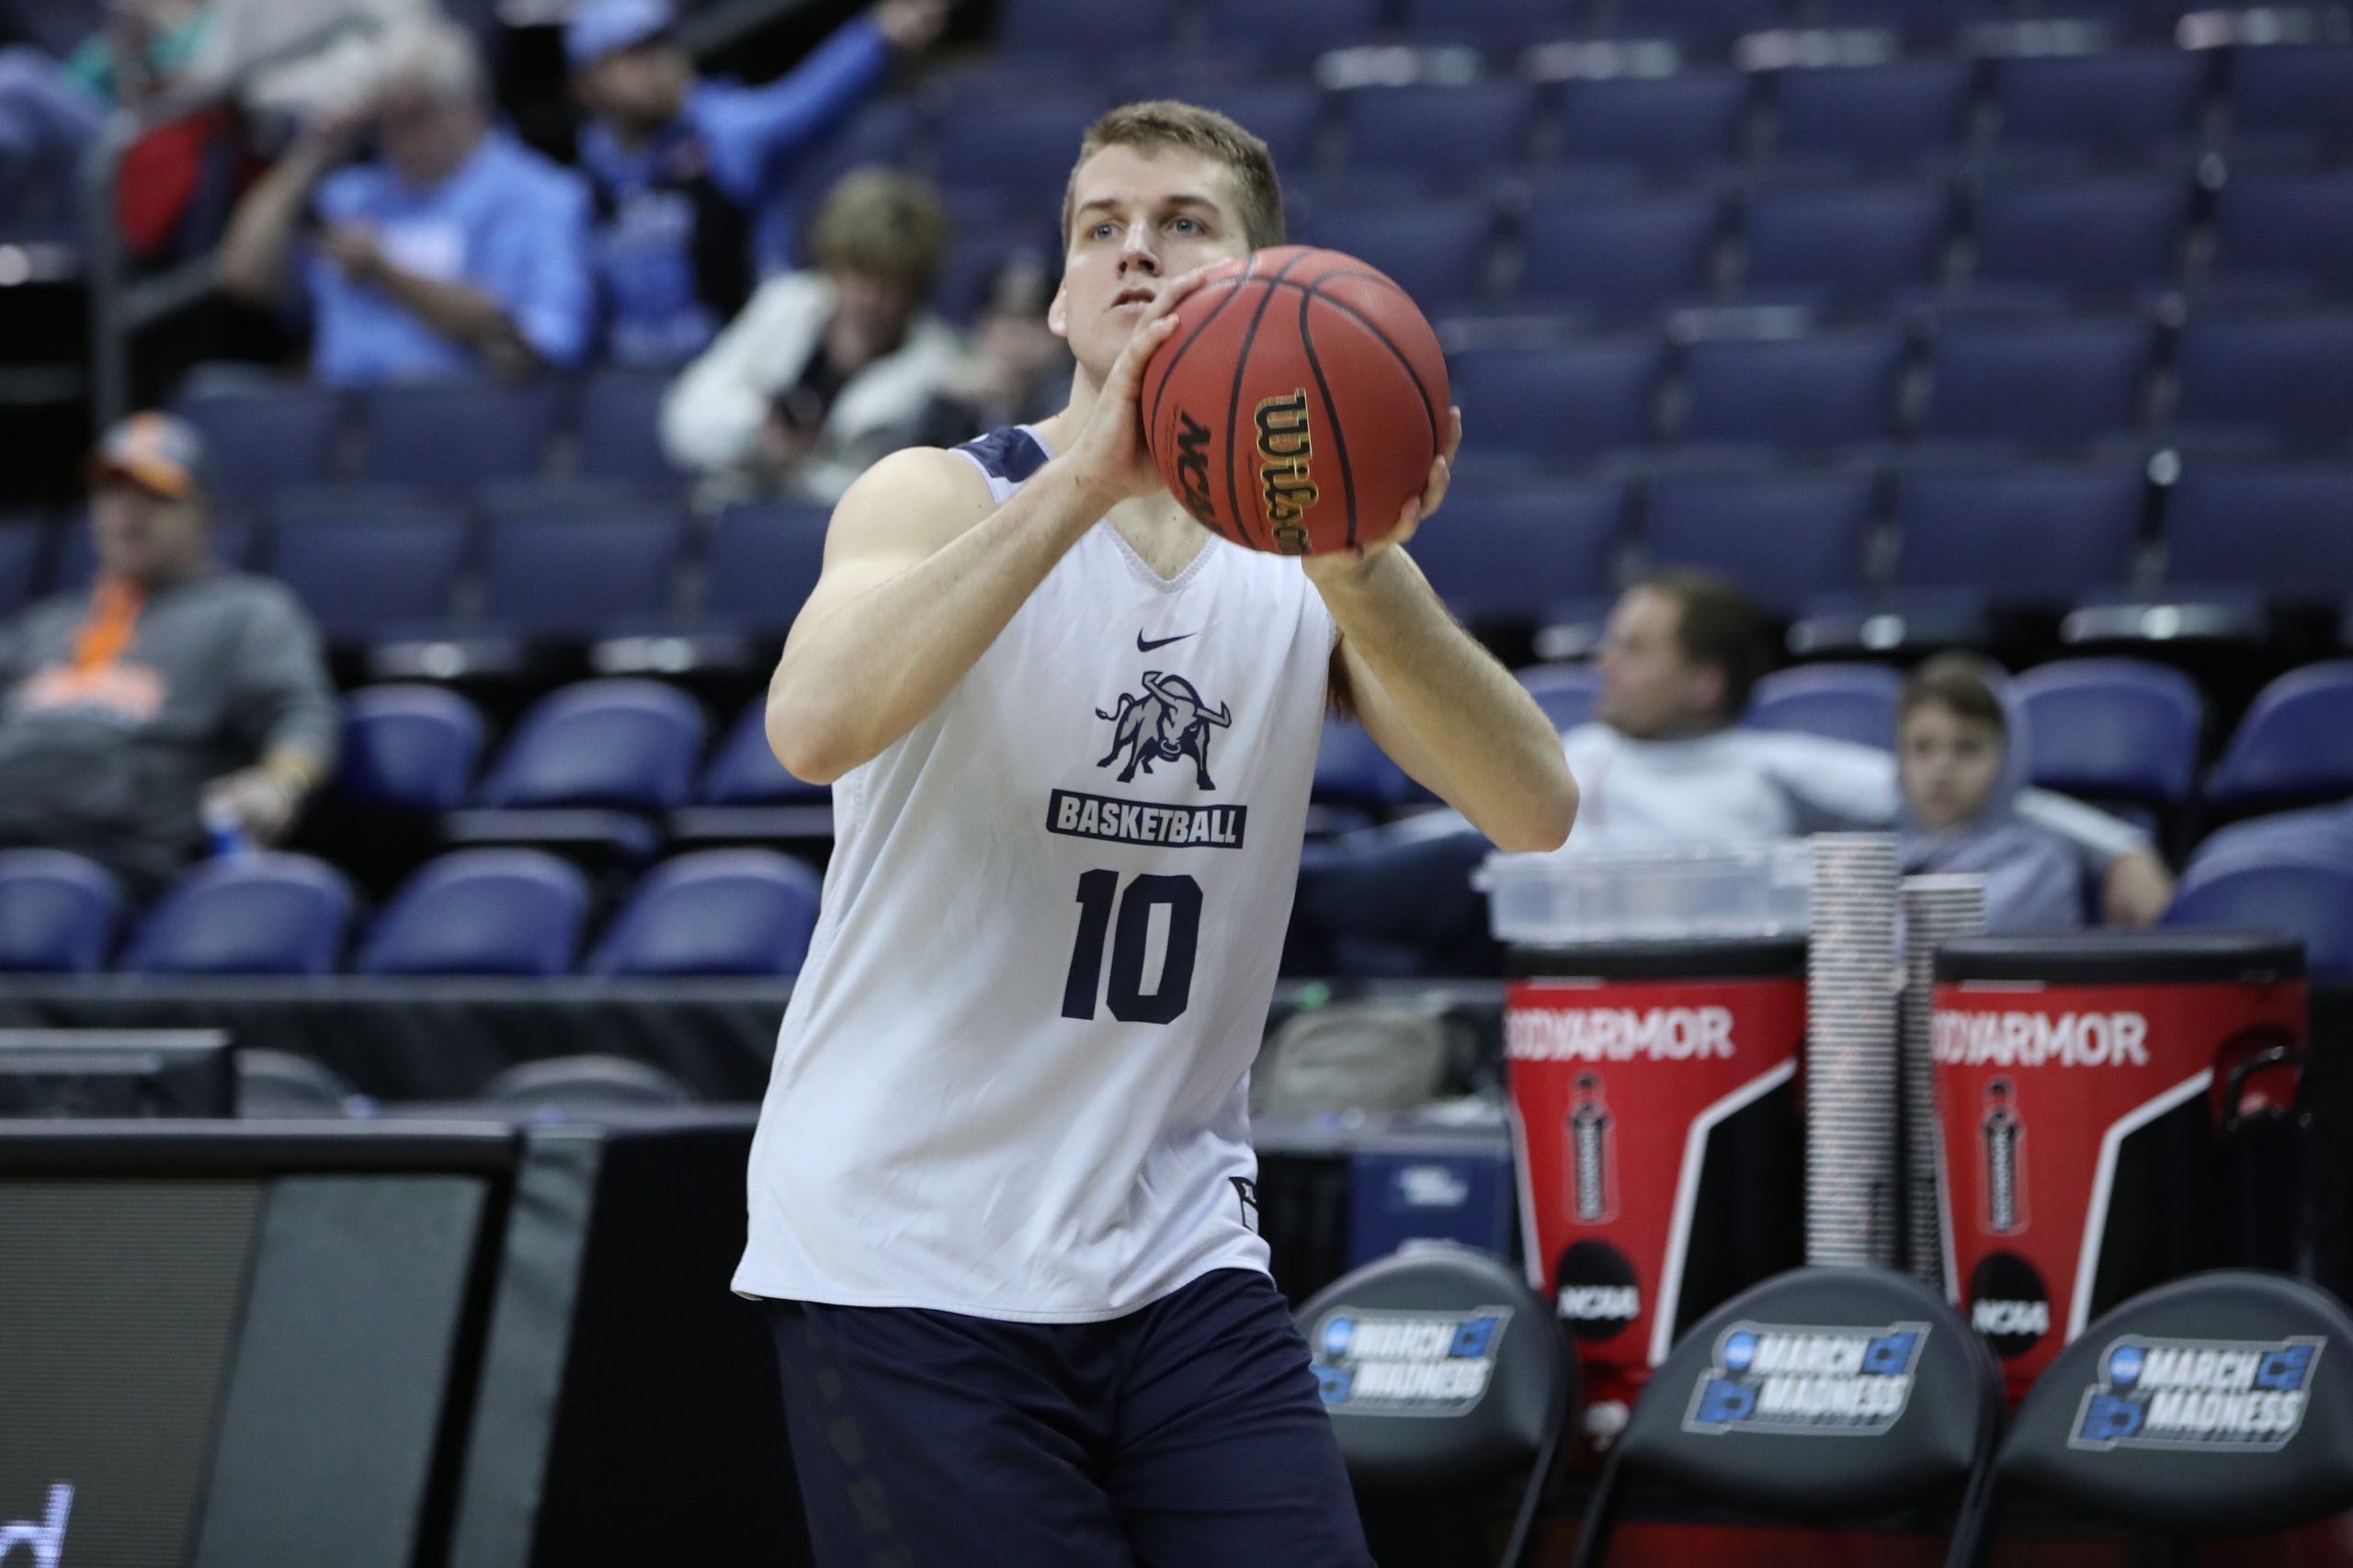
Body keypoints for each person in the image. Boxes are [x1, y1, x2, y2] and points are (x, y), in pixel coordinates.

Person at [736, 100, 1576, 1566]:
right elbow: (811, 725)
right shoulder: (937, 491)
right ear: (1062, 297)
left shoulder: (1303, 570)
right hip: (906, 1249)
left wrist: (1367, 571)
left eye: (1184, 223)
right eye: (1098, 228)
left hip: (1178, 1249)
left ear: (1266, 281)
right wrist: (1087, 482)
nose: (1135, 249)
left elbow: (1535, 808)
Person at [1566, 570, 2175, 923]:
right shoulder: (1567, 754)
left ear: (1704, 683)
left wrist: (2119, 848)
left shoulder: (1768, 764)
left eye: (1634, 647)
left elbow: (1955, 789)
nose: (1605, 661)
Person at [0, 413, 336, 894]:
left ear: (202, 513)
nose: (128, 512)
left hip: (115, 854)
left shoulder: (247, 611)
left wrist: (279, 783)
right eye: (113, 493)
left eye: (154, 496)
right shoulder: (44, 623)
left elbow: (302, 712)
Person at [567, 0, 952, 365]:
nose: (659, 63)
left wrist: (877, 38)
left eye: (664, 44)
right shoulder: (591, 168)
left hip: (735, 361)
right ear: (588, 83)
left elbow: (807, 103)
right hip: (630, 370)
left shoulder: (725, 133)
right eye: (634, 54)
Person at [213, 19, 593, 385]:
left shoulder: (542, 195)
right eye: (386, 119)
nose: (399, 138)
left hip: (473, 423)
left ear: (470, 104)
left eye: (416, 115)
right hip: (347, 428)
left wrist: (384, 271)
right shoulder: (353, 195)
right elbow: (245, 276)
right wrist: (311, 154)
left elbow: (535, 345)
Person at [660, 165, 963, 502]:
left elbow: (889, 498)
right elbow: (685, 420)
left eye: (890, 283)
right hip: (738, 510)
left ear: (916, 288)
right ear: (833, 266)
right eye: (860, 274)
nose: (871, 299)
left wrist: (801, 467)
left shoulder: (938, 366)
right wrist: (762, 429)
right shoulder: (784, 305)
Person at [1896, 653, 2086, 933]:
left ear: (2009, 760)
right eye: (1922, 747)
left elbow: (1933, 941)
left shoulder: (2040, 867)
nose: (1941, 770)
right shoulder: (1890, 858)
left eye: (1967, 748)